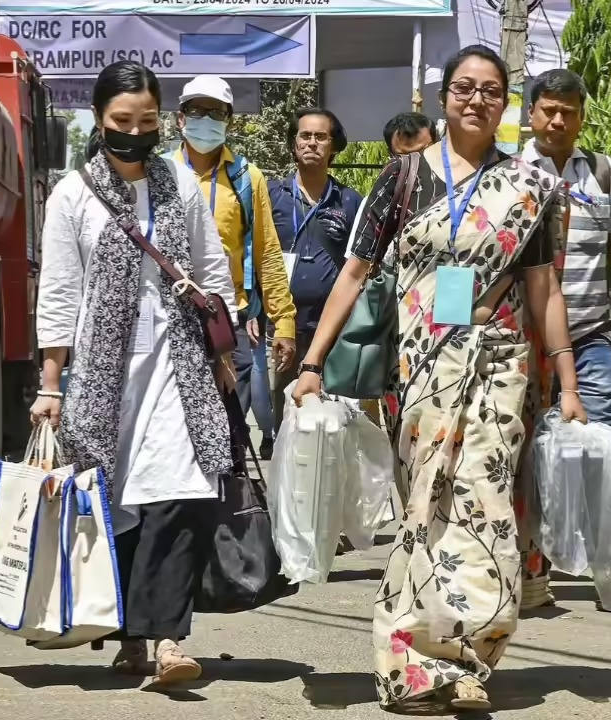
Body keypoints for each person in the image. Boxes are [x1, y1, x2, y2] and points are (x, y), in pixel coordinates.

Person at [290, 45, 586, 712]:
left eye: (489, 90)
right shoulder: (402, 178)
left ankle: (471, 658)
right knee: (424, 502)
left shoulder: (531, 190)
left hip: (500, 363)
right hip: (421, 368)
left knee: (484, 503)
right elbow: (357, 272)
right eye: (463, 88)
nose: (475, 100)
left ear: (505, 104)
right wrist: (313, 364)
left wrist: (566, 381)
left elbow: (544, 290)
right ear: (444, 97)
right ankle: (412, 659)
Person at [31, 60, 237, 682]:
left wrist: (223, 355)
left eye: (147, 120)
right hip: (105, 375)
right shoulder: (72, 194)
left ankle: (169, 638)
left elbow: (210, 269)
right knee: (117, 500)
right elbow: (61, 292)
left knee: (181, 489)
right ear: (99, 119)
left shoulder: (178, 182)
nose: (135, 131)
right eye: (123, 121)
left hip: (180, 363)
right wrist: (49, 384)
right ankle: (130, 636)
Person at [522, 68, 611, 427]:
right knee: (526, 446)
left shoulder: (604, 172)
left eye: (568, 112)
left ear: (581, 117)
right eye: (549, 111)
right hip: (524, 340)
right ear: (531, 113)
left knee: (597, 441)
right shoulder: (510, 174)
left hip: (589, 337)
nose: (558, 121)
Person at [172, 75, 296, 459]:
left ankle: (232, 505)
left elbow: (267, 253)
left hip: (230, 321)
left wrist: (284, 322)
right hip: (174, 317)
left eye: (215, 113)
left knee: (229, 428)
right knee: (178, 425)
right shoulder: (160, 172)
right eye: (196, 111)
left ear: (230, 121)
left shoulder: (246, 177)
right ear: (180, 119)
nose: (204, 120)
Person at [268, 107, 362, 434]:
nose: (312, 143)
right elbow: (255, 257)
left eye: (321, 137)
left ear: (333, 145)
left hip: (333, 328)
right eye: (305, 136)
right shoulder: (271, 195)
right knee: (288, 414)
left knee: (332, 418)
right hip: (282, 327)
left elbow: (360, 267)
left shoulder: (350, 202)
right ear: (293, 144)